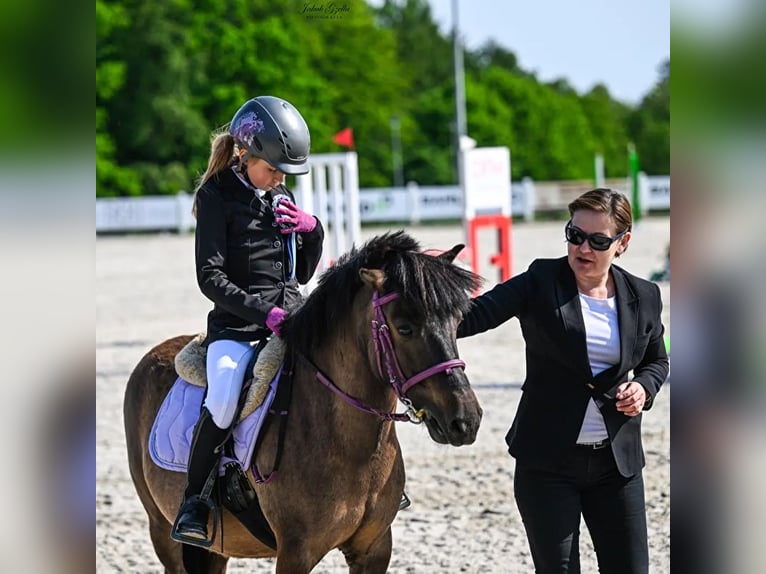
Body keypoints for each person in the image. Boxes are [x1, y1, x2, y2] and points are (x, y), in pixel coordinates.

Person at [457, 188, 668, 573]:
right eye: (575, 235)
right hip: (547, 464)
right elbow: (473, 317)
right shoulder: (540, 279)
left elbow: (657, 362)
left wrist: (643, 388)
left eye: (598, 241)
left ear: (623, 243)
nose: (582, 248)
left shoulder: (646, 294)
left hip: (617, 466)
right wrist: (425, 294)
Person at [171, 95, 324, 545]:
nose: (279, 178)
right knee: (222, 399)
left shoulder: (281, 195)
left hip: (292, 320)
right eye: (273, 168)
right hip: (237, 330)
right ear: (245, 153)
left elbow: (303, 272)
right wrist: (265, 314)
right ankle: (194, 500)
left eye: (284, 173)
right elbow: (210, 277)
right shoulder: (215, 197)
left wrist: (311, 230)